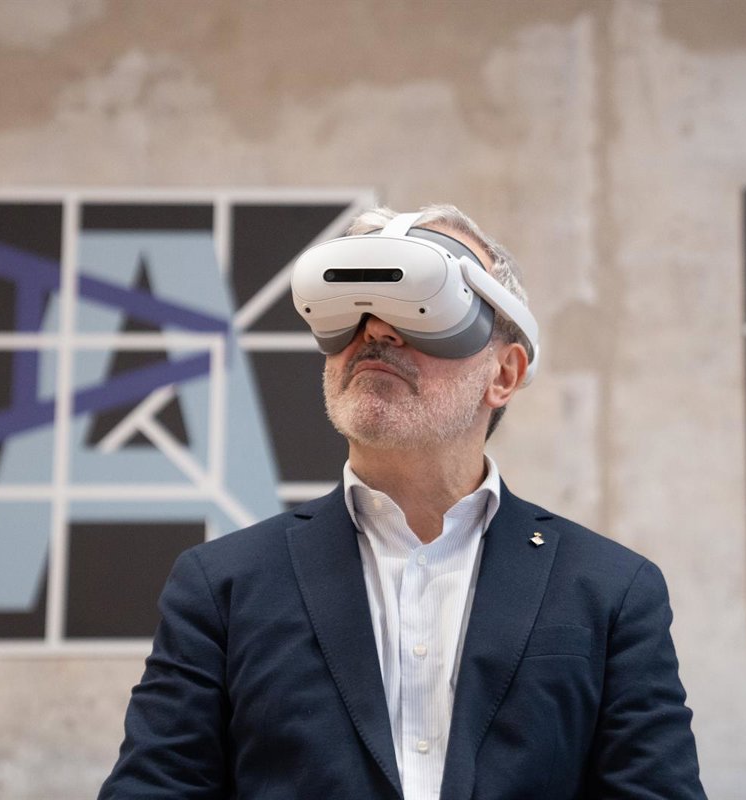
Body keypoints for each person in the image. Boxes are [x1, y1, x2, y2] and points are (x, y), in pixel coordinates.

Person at [99, 204, 705, 799]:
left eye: (423, 304)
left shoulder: (610, 591)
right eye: (354, 310)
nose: (376, 332)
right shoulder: (223, 586)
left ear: (503, 374)